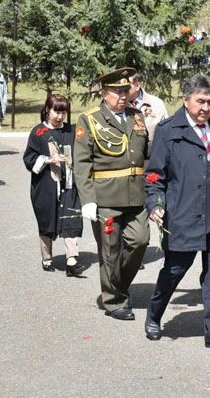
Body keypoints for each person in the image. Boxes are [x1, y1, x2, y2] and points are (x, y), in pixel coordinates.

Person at [143, 75, 210, 351]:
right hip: (183, 215)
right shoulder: (169, 131)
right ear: (185, 101)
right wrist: (155, 203)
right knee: (174, 271)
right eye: (200, 101)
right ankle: (154, 314)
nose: (206, 107)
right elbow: (154, 176)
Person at [73, 67, 150, 321]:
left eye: (126, 91)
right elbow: (82, 162)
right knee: (110, 250)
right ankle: (114, 301)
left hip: (135, 196)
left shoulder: (136, 116)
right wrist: (87, 200)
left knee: (139, 242)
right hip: (105, 198)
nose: (123, 96)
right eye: (117, 92)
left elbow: (145, 153)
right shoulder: (90, 119)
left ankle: (117, 286)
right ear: (105, 92)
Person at [23, 94, 86, 277]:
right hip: (46, 187)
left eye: (63, 112)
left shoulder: (71, 131)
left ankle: (72, 260)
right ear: (47, 110)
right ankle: (47, 257)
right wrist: (49, 160)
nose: (60, 117)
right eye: (56, 112)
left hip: (69, 185)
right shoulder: (38, 132)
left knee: (71, 218)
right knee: (47, 221)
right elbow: (29, 159)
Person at [126, 71, 169, 150]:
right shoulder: (118, 105)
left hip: (152, 157)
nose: (124, 88)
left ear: (138, 86)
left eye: (127, 85)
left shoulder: (156, 104)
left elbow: (167, 134)